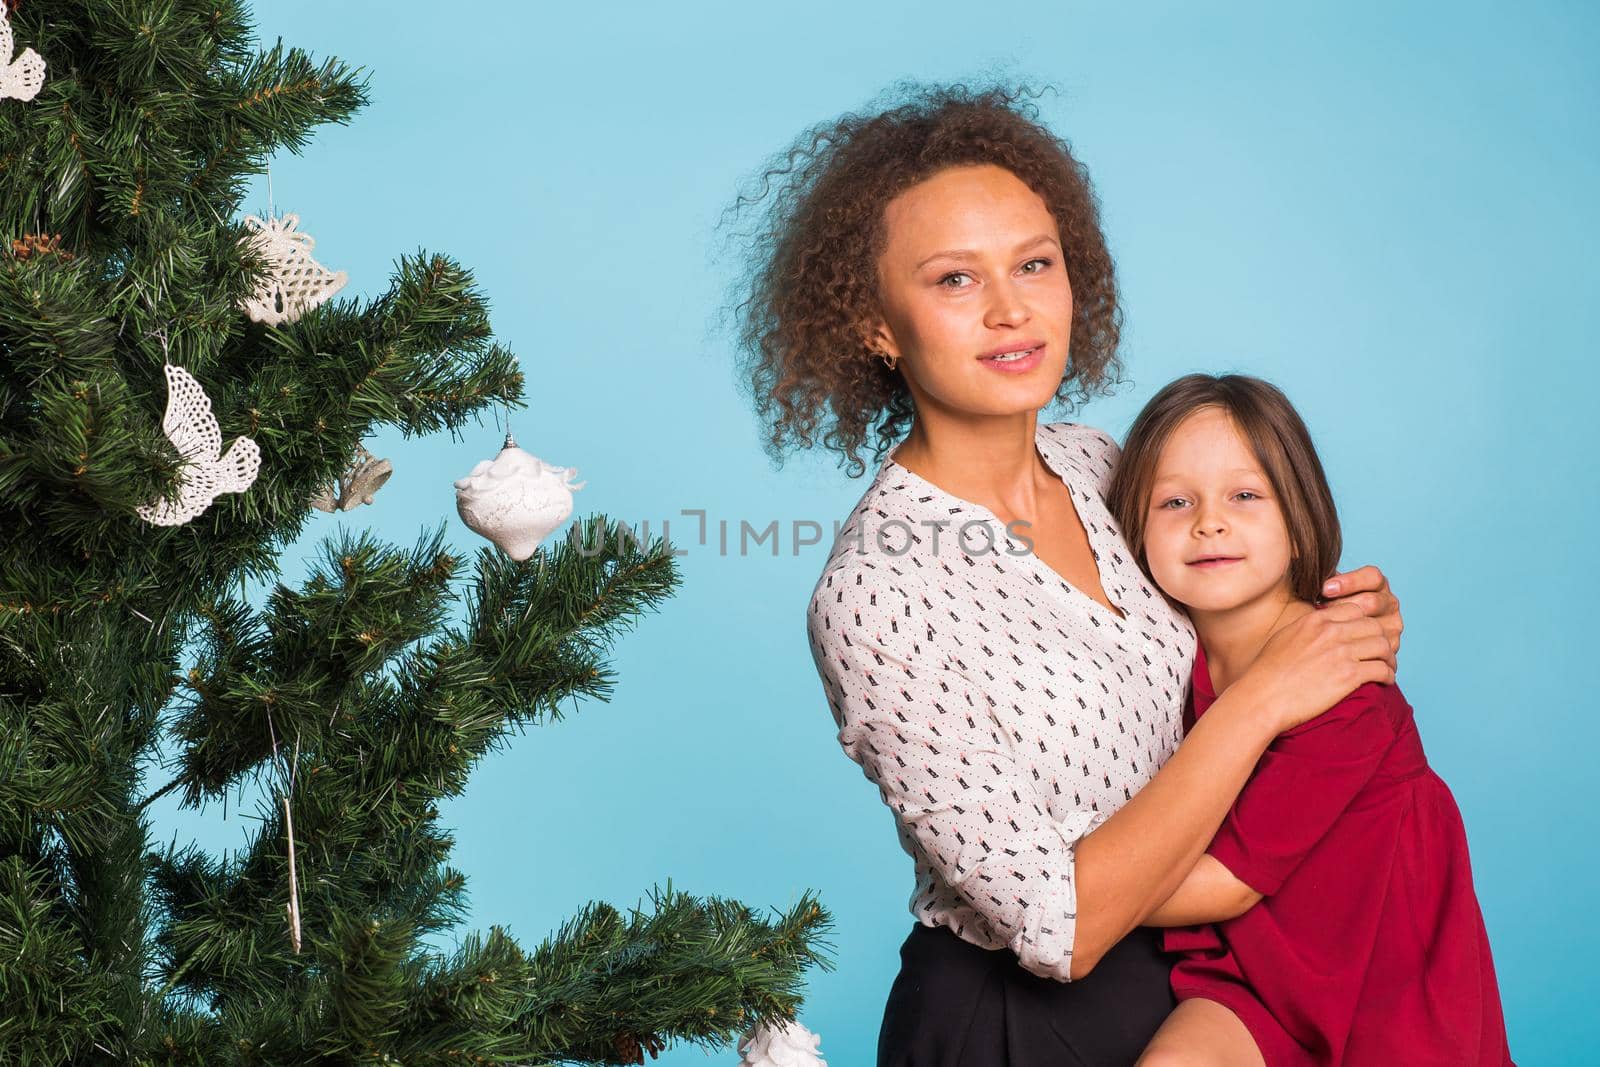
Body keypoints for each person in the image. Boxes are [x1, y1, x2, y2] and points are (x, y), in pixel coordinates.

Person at [724, 81, 1403, 1065]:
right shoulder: (873, 592)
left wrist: (1348, 620)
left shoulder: (1106, 466)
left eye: (1034, 263)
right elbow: (1059, 926)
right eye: (955, 279)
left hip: (1212, 984)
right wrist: (1267, 703)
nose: (1010, 308)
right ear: (874, 323)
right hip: (1017, 1023)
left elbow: (1258, 631)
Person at [1101, 374, 1513, 1067]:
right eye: (1175, 501)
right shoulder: (1165, 661)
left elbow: (1228, 880)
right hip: (1250, 978)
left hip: (1386, 987)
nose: (1209, 521)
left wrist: (1057, 891)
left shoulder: (1344, 679)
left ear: (1299, 523)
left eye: (1244, 495)